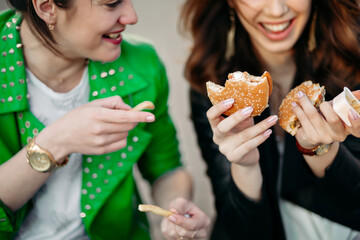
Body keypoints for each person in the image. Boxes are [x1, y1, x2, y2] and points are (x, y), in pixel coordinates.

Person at [0, 0, 210, 239]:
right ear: (47, 7)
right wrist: (56, 141)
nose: (131, 17)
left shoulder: (142, 65)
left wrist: (175, 208)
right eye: (112, 4)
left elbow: (167, 169)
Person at [180, 0, 360, 239]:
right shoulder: (215, 85)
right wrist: (245, 167)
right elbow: (235, 230)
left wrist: (318, 148)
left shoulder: (353, 58)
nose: (277, 10)